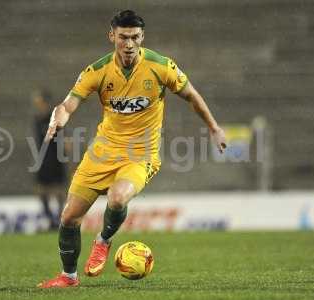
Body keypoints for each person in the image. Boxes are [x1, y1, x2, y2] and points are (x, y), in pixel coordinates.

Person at [38, 10, 226, 288]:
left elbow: (192, 96)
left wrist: (213, 127)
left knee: (117, 198)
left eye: (135, 37)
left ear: (142, 37)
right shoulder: (97, 71)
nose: (129, 44)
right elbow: (68, 104)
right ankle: (69, 277)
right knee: (68, 217)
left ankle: (103, 241)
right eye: (123, 37)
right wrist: (59, 117)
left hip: (141, 154)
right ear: (111, 36)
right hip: (102, 152)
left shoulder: (160, 66)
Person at [32, 89, 68, 230]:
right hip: (42, 158)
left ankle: (60, 220)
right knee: (41, 191)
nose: (38, 105)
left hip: (56, 158)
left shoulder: (55, 117)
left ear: (45, 103)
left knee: (58, 189)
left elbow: (65, 137)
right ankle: (51, 220)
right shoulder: (37, 119)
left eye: (39, 102)